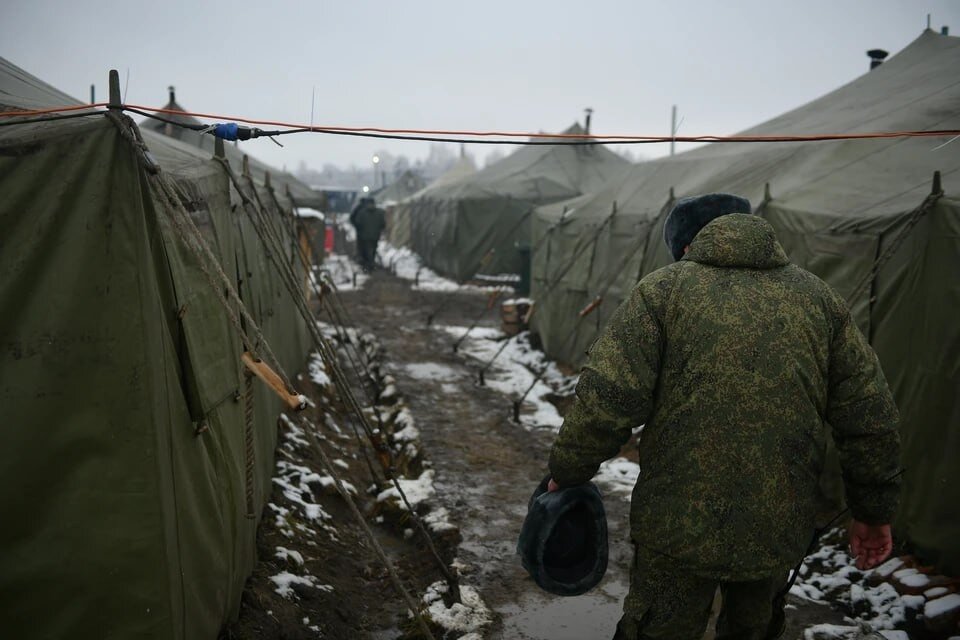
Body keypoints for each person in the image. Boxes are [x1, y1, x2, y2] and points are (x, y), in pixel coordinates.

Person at [546, 193, 901, 639]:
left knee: (660, 629)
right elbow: (869, 417)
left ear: (686, 246)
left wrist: (568, 470)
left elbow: (608, 398)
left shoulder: (663, 291)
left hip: (676, 527)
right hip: (775, 527)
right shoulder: (819, 300)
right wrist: (872, 511)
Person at [349, 196, 385, 272]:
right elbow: (383, 224)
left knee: (366, 250)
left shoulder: (361, 212)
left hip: (364, 236)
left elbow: (356, 221)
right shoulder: (380, 212)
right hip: (375, 235)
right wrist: (378, 230)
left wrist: (359, 229)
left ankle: (368, 265)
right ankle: (370, 264)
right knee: (373, 249)